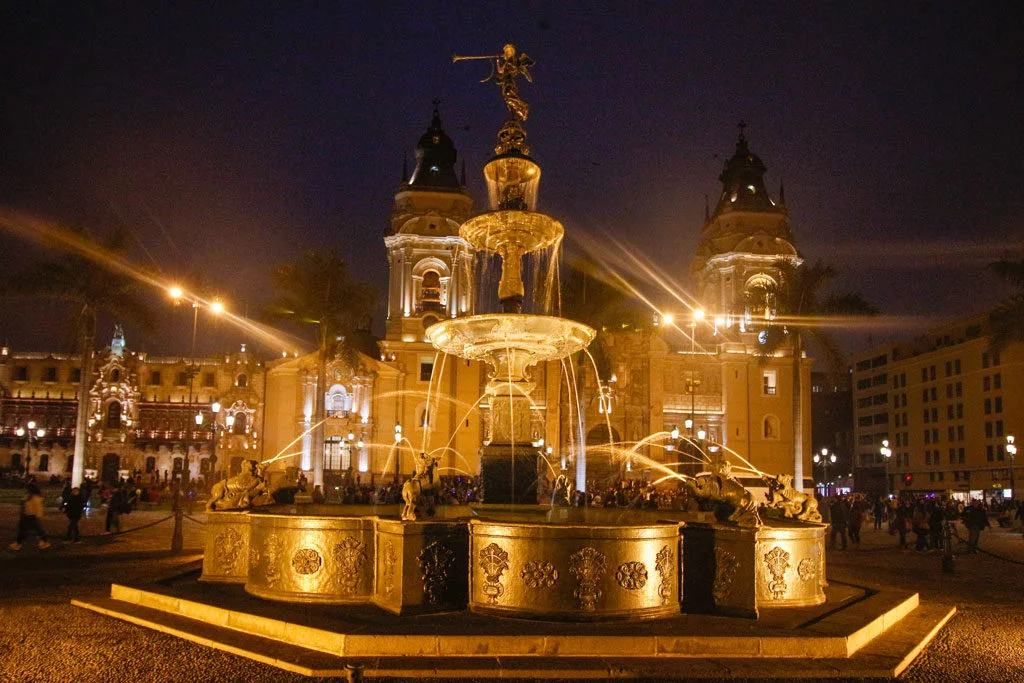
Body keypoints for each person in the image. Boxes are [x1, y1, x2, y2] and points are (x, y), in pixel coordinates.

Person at [10, 483, 51, 550]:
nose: (26, 490)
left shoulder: (35, 498)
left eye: (27, 489)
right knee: (35, 530)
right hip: (26, 516)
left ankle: (18, 544)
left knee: (36, 530)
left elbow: (38, 508)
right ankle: (18, 543)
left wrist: (38, 517)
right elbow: (24, 503)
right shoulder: (29, 496)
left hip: (31, 516)